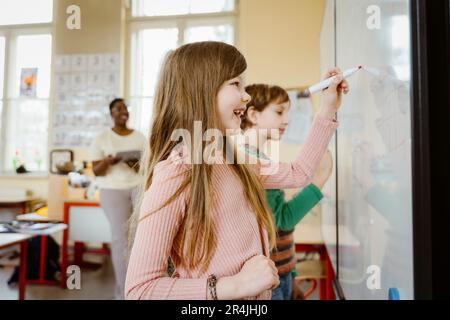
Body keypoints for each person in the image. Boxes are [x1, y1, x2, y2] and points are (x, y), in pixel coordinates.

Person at [125, 41, 349, 300]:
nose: (247, 96)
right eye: (235, 84)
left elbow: (298, 172)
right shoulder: (176, 172)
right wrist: (236, 286)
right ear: (202, 91)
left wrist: (328, 107)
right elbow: (140, 291)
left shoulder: (232, 159)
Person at [240, 84, 333, 300]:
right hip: (271, 278)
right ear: (253, 114)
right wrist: (319, 180)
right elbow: (282, 220)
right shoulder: (253, 161)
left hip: (277, 272)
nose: (287, 120)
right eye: (279, 112)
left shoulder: (253, 156)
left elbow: (273, 212)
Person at [90, 98, 146, 299]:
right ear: (111, 113)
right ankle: (123, 292)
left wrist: (134, 162)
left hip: (137, 188)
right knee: (121, 240)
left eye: (125, 108)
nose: (123, 111)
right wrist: (108, 161)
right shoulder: (102, 138)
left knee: (141, 239)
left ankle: (142, 286)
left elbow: (145, 167)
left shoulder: (140, 137)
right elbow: (96, 171)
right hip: (113, 191)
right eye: (118, 108)